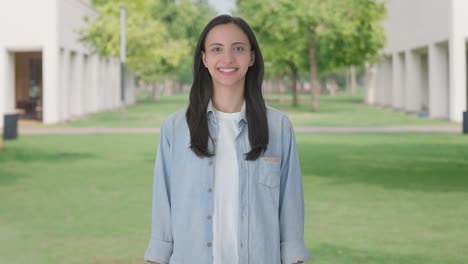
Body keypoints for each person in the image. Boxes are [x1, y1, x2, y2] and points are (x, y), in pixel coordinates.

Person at [144, 14, 310, 264]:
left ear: (252, 57)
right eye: (217, 49)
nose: (228, 59)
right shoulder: (175, 128)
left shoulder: (279, 127)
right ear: (204, 58)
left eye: (239, 49)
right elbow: (163, 208)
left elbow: (291, 207)